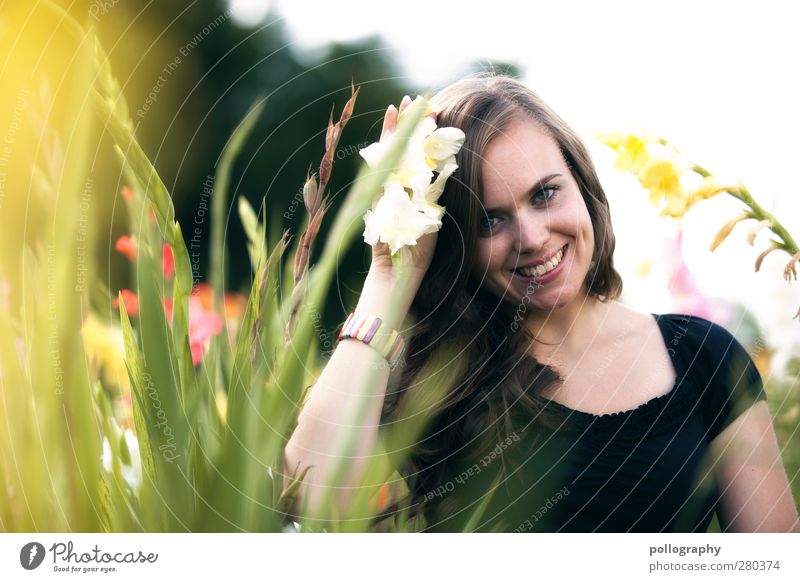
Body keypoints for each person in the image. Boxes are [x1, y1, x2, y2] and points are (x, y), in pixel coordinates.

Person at [284, 75, 800, 532]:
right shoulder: (439, 380)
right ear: (455, 240)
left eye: (545, 194)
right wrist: (391, 272)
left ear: (583, 184)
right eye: (490, 220)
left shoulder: (705, 358)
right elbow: (311, 501)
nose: (531, 237)